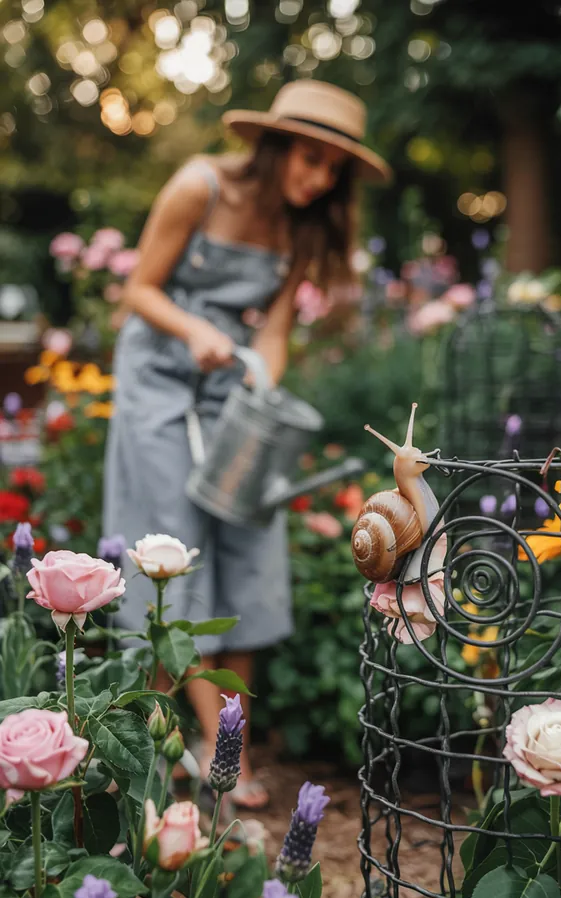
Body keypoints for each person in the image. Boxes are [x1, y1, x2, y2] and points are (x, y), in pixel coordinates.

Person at [103, 80, 390, 810]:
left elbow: (273, 332)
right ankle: (213, 753)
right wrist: (196, 331)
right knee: (171, 545)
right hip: (161, 382)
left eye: (333, 169)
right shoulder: (197, 186)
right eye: (309, 158)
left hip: (231, 387)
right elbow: (139, 290)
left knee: (247, 542)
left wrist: (264, 383)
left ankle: (209, 743)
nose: (318, 178)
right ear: (272, 146)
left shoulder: (304, 227)